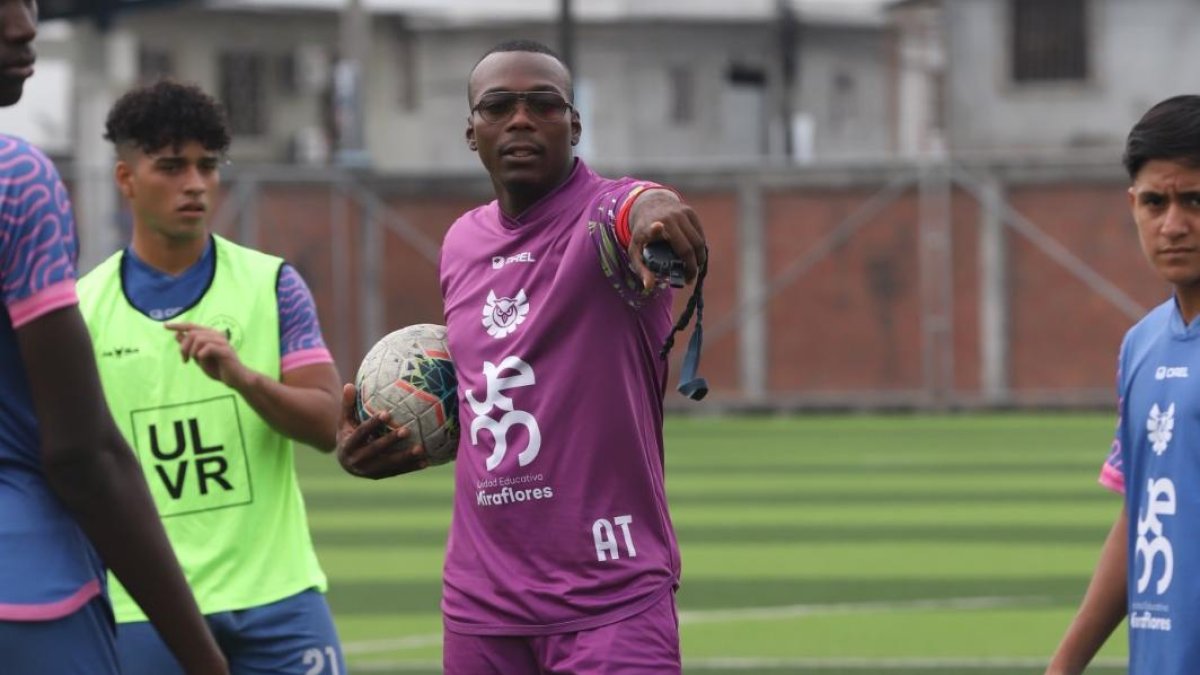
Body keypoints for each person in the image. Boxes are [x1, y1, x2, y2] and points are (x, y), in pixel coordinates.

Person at [336, 39, 707, 674]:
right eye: (498, 105)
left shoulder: (604, 221)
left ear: (575, 122)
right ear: (471, 131)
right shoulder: (461, 242)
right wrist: (390, 438)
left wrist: (656, 210)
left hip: (610, 598)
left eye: (544, 104)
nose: (521, 119)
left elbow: (637, 205)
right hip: (482, 605)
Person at [76, 80, 346, 675]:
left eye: (206, 165)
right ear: (126, 179)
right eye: (171, 167)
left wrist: (244, 378)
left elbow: (328, 424)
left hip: (278, 597)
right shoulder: (81, 311)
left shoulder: (272, 284)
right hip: (144, 605)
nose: (194, 183)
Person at [0, 2, 229, 674]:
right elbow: (82, 455)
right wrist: (205, 659)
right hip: (25, 592)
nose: (23, 24)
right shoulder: (16, 181)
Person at [1046, 94, 1200, 674]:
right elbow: (1140, 516)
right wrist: (1064, 665)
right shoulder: (1142, 345)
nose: (1174, 224)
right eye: (1156, 202)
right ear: (1133, 205)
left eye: (1195, 200)